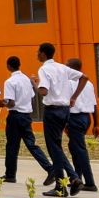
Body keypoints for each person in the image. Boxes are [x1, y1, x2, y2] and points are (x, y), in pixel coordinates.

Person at [0, 56, 49, 183]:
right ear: (19, 64)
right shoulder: (27, 80)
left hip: (15, 116)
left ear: (8, 66)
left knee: (12, 146)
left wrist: (3, 103)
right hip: (26, 116)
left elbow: (11, 103)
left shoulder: (10, 82)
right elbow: (31, 96)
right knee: (31, 144)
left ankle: (10, 175)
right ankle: (50, 168)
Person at [50, 59, 96, 195]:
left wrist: (65, 122)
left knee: (80, 150)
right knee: (75, 148)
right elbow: (94, 104)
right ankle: (77, 177)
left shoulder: (69, 83)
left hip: (74, 118)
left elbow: (65, 102)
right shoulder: (89, 83)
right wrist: (97, 123)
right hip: (86, 117)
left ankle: (90, 182)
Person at [35, 43, 76, 187]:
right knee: (56, 146)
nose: (37, 54)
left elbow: (44, 91)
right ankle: (72, 177)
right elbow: (85, 77)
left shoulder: (44, 69)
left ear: (44, 54)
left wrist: (35, 85)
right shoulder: (63, 68)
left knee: (54, 148)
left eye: (38, 52)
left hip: (52, 110)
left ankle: (61, 185)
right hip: (65, 110)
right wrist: (74, 97)